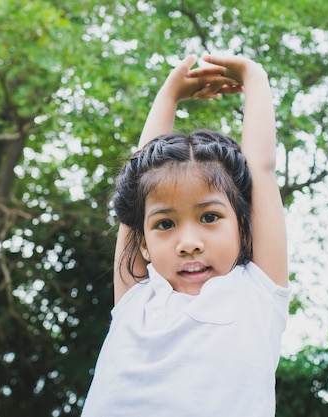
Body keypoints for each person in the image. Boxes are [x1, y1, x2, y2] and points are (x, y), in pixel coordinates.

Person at [81, 54, 290, 416]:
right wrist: (168, 94)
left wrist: (254, 76)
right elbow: (136, 186)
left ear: (243, 227)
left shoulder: (257, 293)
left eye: (209, 216)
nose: (189, 242)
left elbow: (261, 168)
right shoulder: (137, 299)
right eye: (165, 224)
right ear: (142, 244)